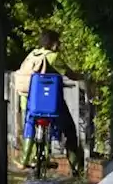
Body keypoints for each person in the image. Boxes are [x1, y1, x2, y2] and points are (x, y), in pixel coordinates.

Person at [15, 30, 83, 175]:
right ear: (52, 43)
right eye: (58, 41)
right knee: (69, 129)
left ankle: (25, 159)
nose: (60, 44)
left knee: (30, 125)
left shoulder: (33, 54)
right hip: (51, 102)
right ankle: (76, 169)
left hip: (28, 100)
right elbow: (70, 75)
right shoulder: (53, 57)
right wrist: (85, 77)